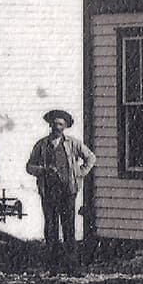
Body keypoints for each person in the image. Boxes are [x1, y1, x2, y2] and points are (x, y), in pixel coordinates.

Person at [26, 109, 96, 273]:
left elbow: (91, 157)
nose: (57, 127)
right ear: (50, 125)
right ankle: (53, 266)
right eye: (55, 124)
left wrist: (80, 172)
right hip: (49, 191)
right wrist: (42, 170)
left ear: (65, 127)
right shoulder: (41, 145)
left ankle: (72, 266)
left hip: (68, 191)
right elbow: (29, 166)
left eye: (60, 124)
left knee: (68, 227)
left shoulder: (73, 143)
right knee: (51, 228)